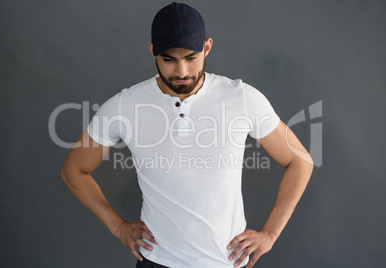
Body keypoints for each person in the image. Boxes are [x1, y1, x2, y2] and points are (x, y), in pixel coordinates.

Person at [60, 2, 313, 268]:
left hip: (225, 262)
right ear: (152, 51)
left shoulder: (242, 98)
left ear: (207, 47)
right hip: (157, 262)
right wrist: (118, 227)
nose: (181, 72)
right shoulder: (125, 105)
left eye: (191, 58)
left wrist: (270, 233)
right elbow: (73, 170)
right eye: (168, 59)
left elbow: (300, 160)